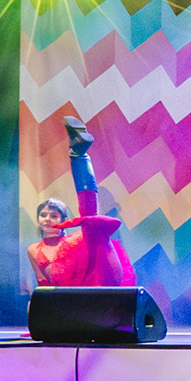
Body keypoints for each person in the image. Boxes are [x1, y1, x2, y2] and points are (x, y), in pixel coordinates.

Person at [28, 117, 137, 288]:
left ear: (64, 221)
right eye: (43, 215)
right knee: (90, 225)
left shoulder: (74, 240)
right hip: (70, 297)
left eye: (54, 216)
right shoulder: (33, 250)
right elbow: (42, 283)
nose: (47, 219)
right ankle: (78, 154)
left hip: (100, 279)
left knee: (90, 222)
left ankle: (79, 155)